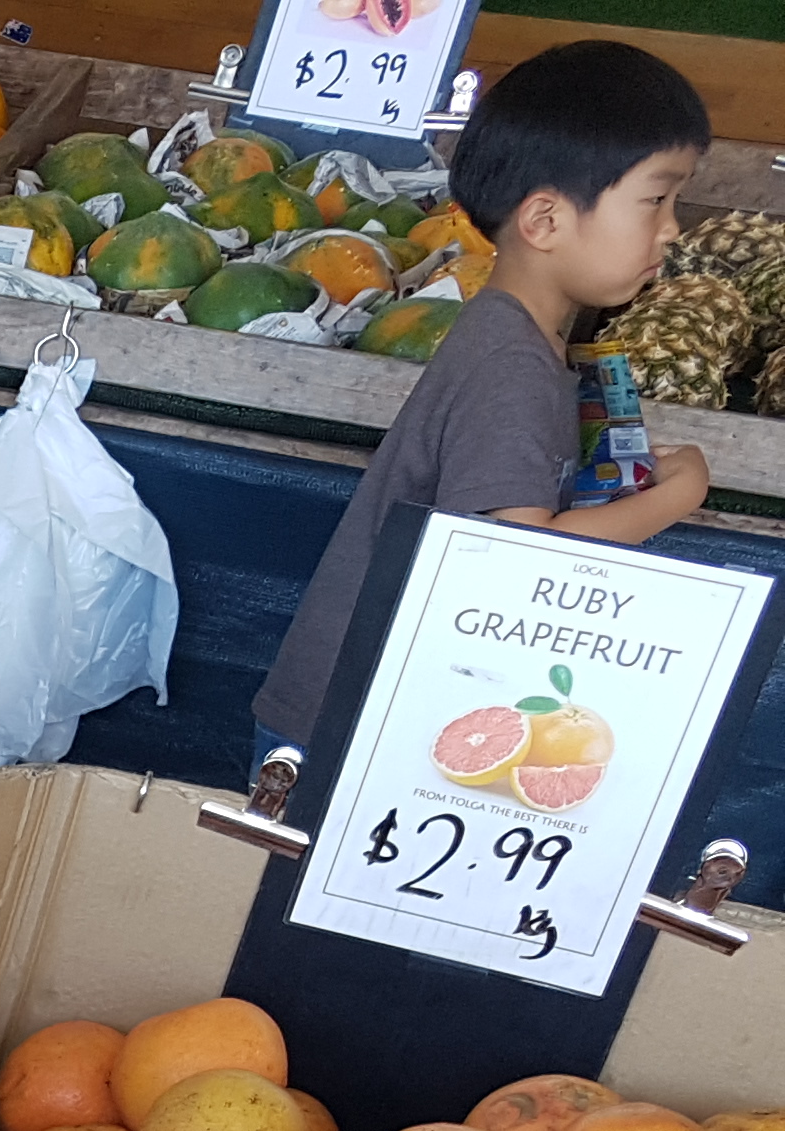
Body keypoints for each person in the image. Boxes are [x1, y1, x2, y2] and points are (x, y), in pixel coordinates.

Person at [254, 40, 712, 762]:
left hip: (373, 711)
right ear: (544, 222)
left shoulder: (522, 339)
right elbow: (519, 559)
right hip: (350, 730)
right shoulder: (511, 364)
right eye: (656, 199)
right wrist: (677, 497)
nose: (672, 227)